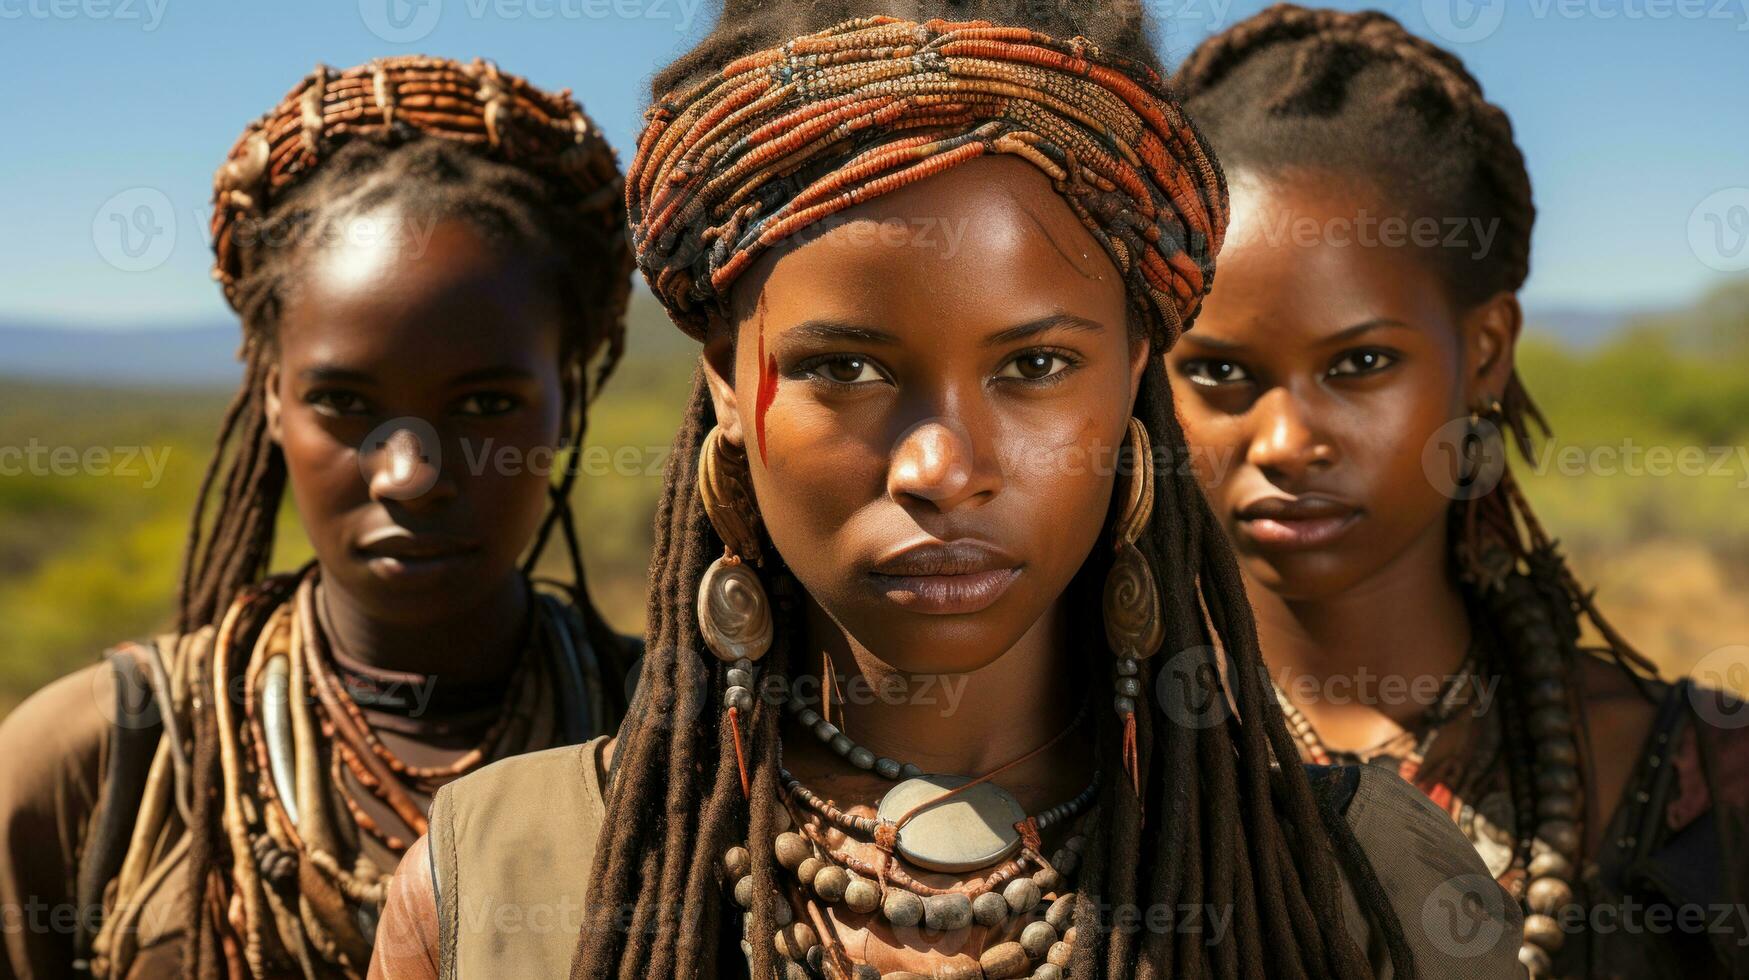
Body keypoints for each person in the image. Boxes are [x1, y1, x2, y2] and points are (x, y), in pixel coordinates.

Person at [370, 6, 1523, 978]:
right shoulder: (500, 885)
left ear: (1136, 367)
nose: (939, 468)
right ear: (726, 374)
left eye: (1032, 367)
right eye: (847, 368)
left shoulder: (1368, 891)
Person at [0, 56, 636, 979]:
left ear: (568, 402)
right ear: (269, 400)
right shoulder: (92, 768)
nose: (410, 474)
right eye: (343, 400)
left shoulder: (685, 745)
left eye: (486, 405)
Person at [1167, 6, 1749, 977]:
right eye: (1220, 374)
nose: (1285, 441)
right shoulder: (1083, 759)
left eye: (1359, 362)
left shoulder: (1698, 785)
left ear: (1484, 352)